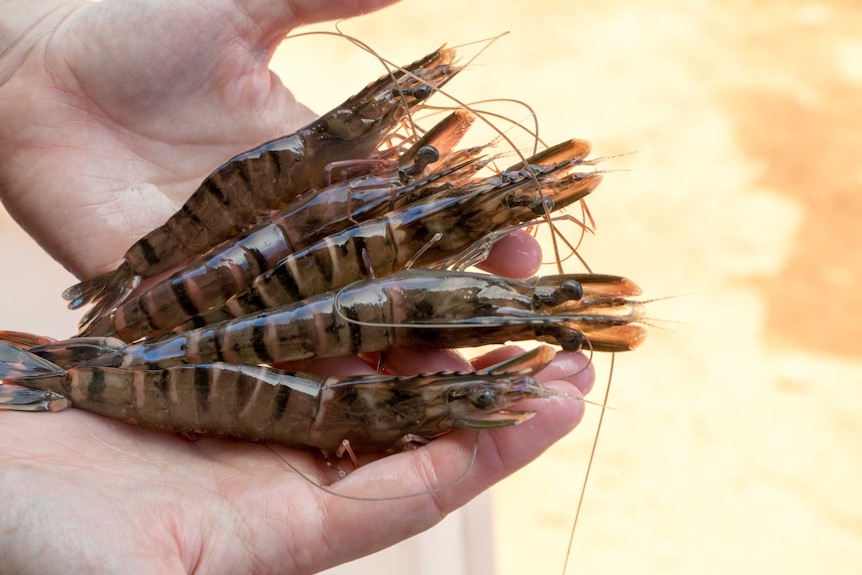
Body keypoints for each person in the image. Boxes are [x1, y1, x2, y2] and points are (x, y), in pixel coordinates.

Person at [0, 1, 593, 573]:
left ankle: (81, 362)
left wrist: (23, 59)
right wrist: (23, 59)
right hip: (189, 330)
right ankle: (80, 365)